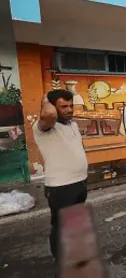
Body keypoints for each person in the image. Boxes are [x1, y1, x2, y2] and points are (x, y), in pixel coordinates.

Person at [34, 90, 88, 261]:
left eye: (71, 106)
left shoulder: (72, 124)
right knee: (61, 227)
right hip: (60, 187)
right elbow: (48, 114)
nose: (69, 109)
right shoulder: (44, 127)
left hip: (80, 183)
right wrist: (45, 99)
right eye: (63, 106)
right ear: (51, 106)